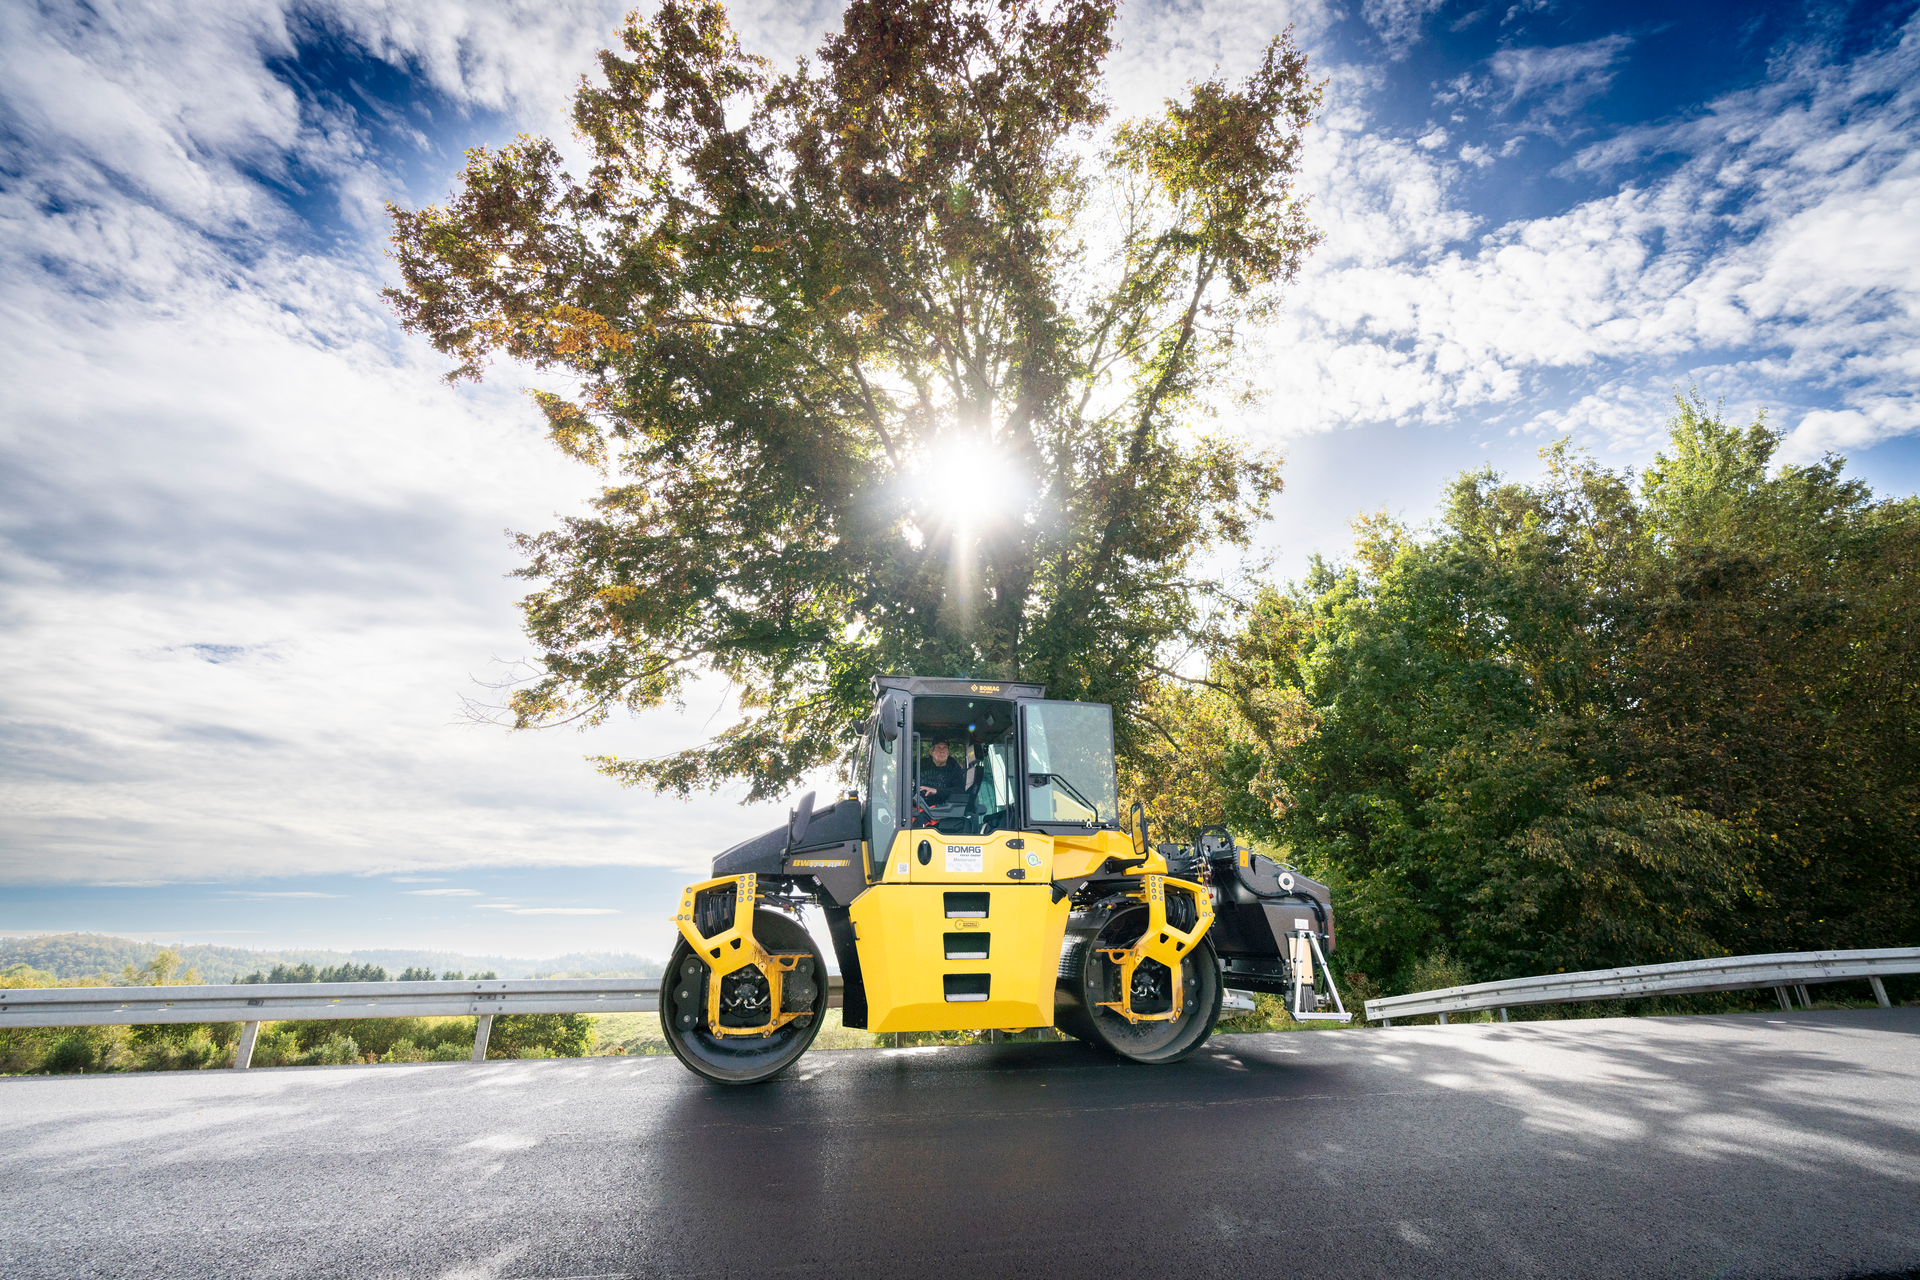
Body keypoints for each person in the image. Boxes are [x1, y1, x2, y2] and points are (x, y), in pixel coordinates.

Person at [917, 738, 966, 803]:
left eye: (945, 748)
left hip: (944, 810)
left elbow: (960, 790)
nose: (942, 751)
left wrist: (936, 791)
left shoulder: (954, 767)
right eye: (938, 748)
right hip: (918, 807)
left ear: (948, 752)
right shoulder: (921, 764)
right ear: (931, 752)